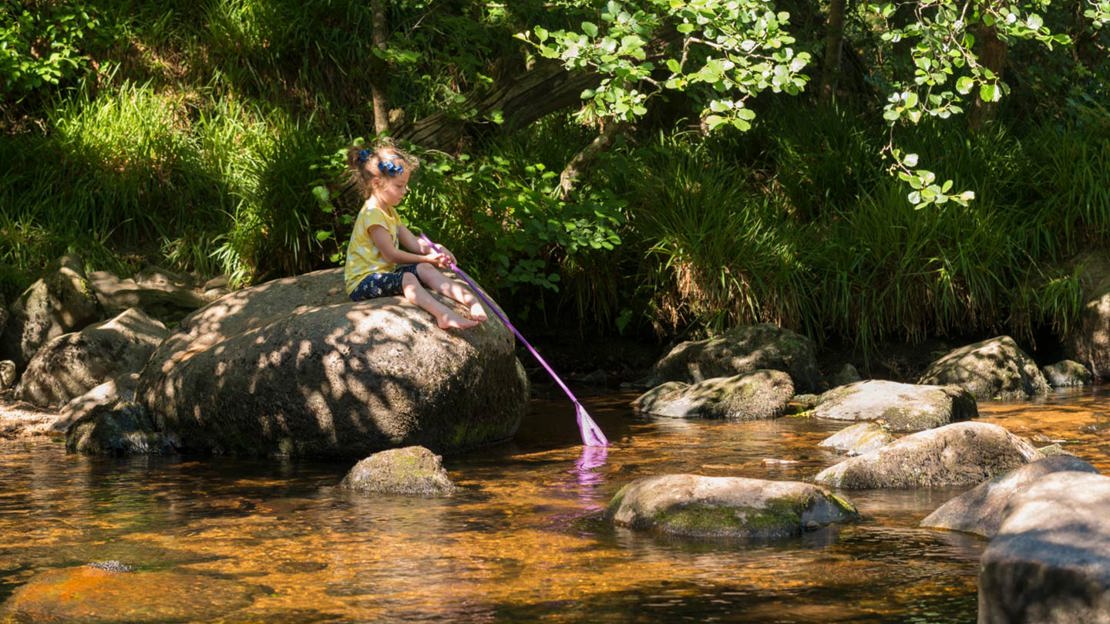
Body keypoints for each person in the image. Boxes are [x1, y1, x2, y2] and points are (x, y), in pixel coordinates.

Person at [344, 142, 487, 330]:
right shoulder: (372, 215)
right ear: (377, 183)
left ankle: (471, 302)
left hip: (385, 273)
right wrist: (428, 258)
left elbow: (413, 242)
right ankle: (443, 315)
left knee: (425, 268)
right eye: (399, 186)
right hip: (363, 281)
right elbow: (391, 255)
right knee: (408, 280)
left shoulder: (388, 211)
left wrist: (435, 249)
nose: (405, 191)